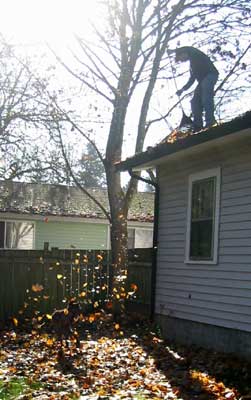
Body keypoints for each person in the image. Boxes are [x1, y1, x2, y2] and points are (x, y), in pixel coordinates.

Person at [174, 46, 219, 131]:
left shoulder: (195, 54)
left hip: (210, 75)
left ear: (183, 53)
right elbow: (192, 79)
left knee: (206, 97)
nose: (182, 61)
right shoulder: (192, 65)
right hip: (202, 81)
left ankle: (210, 122)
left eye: (181, 58)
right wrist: (182, 89)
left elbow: (189, 48)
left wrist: (174, 51)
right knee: (194, 102)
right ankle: (198, 126)